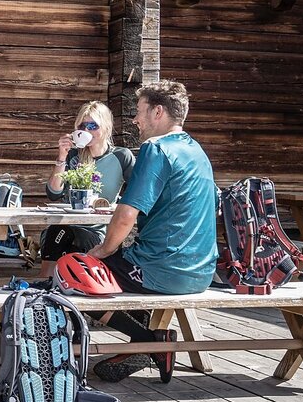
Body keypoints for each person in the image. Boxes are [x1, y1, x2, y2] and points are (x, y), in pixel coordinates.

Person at [84, 80, 219, 383]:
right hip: (202, 272)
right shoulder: (197, 151)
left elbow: (126, 214)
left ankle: (150, 340)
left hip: (163, 270)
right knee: (117, 266)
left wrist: (103, 250)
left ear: (158, 112)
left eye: (140, 112)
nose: (135, 119)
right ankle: (142, 345)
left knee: (76, 273)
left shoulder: (155, 148)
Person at [43, 101, 134, 259]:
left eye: (92, 126)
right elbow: (54, 193)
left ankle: (50, 282)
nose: (86, 130)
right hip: (67, 224)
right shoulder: (73, 156)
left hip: (99, 231)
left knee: (60, 234)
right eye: (82, 126)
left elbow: (138, 192)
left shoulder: (121, 156)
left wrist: (117, 206)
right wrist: (62, 157)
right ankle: (48, 282)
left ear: (105, 127)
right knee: (57, 233)